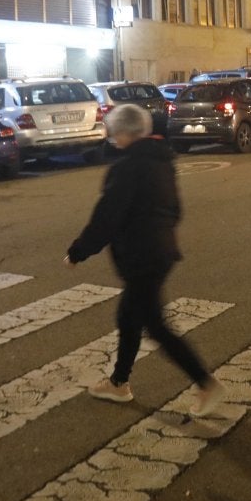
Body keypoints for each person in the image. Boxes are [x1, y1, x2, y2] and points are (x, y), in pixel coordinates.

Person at [65, 104, 222, 415]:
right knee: (129, 318)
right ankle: (119, 383)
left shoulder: (126, 168)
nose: (111, 137)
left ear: (124, 132)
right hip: (160, 251)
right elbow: (175, 210)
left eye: (113, 131)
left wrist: (78, 251)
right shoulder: (162, 162)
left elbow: (107, 217)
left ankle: (206, 383)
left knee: (155, 325)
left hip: (142, 257)